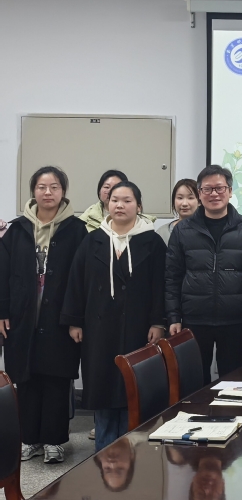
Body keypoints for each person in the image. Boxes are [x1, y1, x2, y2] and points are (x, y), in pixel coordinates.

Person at [61, 181, 166, 451]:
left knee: (134, 388)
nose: (120, 205)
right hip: (99, 330)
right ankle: (105, 454)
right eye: (115, 200)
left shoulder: (152, 242)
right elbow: (76, 282)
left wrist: (158, 322)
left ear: (139, 206)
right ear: (107, 204)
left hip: (138, 328)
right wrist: (74, 321)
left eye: (127, 200)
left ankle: (133, 453)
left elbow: (161, 286)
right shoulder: (93, 239)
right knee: (104, 388)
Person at [0, 166, 86, 464]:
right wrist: (2, 310)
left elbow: (81, 279)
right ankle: (29, 439)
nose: (47, 192)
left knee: (56, 380)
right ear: (33, 191)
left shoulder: (76, 230)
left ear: (63, 191)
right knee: (25, 380)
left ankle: (54, 440)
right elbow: (2, 274)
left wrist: (75, 318)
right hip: (22, 317)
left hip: (60, 318)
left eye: (54, 187)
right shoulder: (16, 229)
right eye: (41, 187)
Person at [165, 166, 242, 383]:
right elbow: (172, 278)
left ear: (230, 191)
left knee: (233, 384)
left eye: (220, 188)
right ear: (200, 194)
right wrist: (173, 317)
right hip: (194, 319)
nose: (214, 194)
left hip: (236, 321)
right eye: (207, 189)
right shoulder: (183, 230)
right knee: (193, 383)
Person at [80, 170, 155, 231]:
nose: (111, 191)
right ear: (99, 191)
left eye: (116, 187)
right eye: (107, 187)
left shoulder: (146, 224)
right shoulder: (84, 219)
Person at [157, 179, 199, 244]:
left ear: (199, 201)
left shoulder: (207, 230)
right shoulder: (162, 232)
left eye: (190, 198)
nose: (184, 203)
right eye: (180, 198)